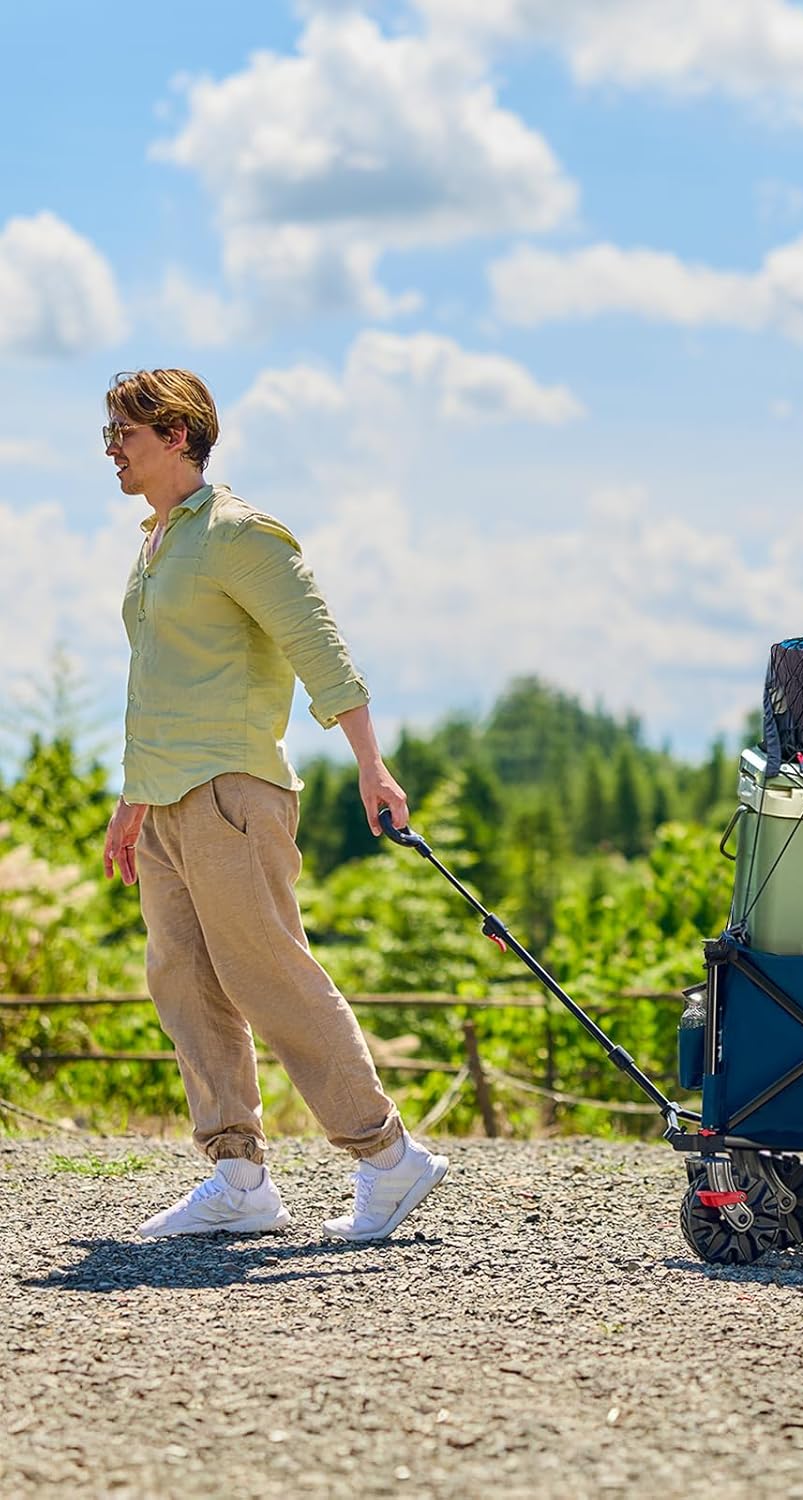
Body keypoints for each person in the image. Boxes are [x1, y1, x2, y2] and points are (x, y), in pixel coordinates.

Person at [99, 368, 448, 1242]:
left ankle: (386, 1157)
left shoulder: (239, 535)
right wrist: (132, 799)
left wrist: (374, 766)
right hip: (167, 801)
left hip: (233, 794)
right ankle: (239, 1175)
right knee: (183, 979)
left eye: (125, 432)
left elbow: (319, 647)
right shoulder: (159, 544)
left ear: (177, 433)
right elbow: (161, 685)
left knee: (266, 972)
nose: (111, 448)